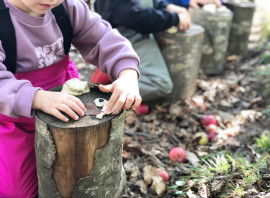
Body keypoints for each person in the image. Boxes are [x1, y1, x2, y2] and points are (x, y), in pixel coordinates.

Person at [0, 0, 141, 197]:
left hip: (66, 104)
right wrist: (37, 98)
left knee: (81, 172)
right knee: (16, 191)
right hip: (13, 118)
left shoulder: (67, 7)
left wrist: (127, 73)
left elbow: (103, 38)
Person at [90, 0, 191, 103]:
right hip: (126, 33)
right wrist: (174, 19)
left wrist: (166, 6)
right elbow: (132, 14)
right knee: (160, 84)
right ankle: (109, 86)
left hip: (137, 28)